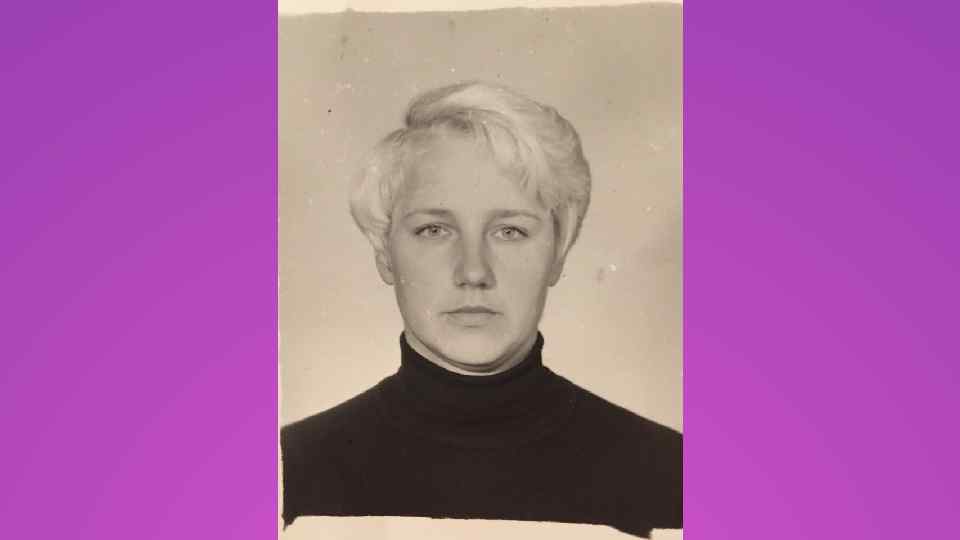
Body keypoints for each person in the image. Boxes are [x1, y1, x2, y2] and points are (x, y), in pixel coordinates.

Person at [281, 81, 682, 538]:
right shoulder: (289, 474)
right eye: (434, 230)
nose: (473, 271)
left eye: (510, 231)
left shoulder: (671, 474)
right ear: (385, 254)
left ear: (559, 252)